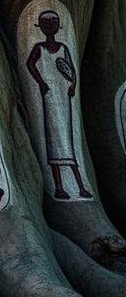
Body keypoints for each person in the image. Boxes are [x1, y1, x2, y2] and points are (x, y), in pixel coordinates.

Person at [25, 10, 92, 200]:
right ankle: (59, 188)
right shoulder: (39, 47)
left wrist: (72, 86)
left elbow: (72, 70)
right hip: (49, 97)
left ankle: (80, 187)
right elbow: (30, 64)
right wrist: (42, 82)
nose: (49, 27)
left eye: (53, 23)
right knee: (53, 142)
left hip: (64, 98)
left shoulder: (63, 47)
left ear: (57, 26)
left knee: (68, 141)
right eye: (46, 23)